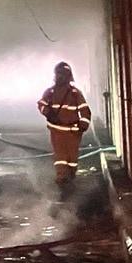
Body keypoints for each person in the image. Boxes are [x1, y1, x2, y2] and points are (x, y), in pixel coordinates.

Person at [37, 61, 91, 191]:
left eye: (62, 75)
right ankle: (62, 181)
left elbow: (85, 110)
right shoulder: (50, 92)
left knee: (72, 158)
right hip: (57, 131)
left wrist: (83, 123)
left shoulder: (75, 93)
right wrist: (48, 113)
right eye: (59, 74)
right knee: (61, 157)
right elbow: (41, 104)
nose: (60, 77)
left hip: (73, 132)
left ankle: (70, 176)